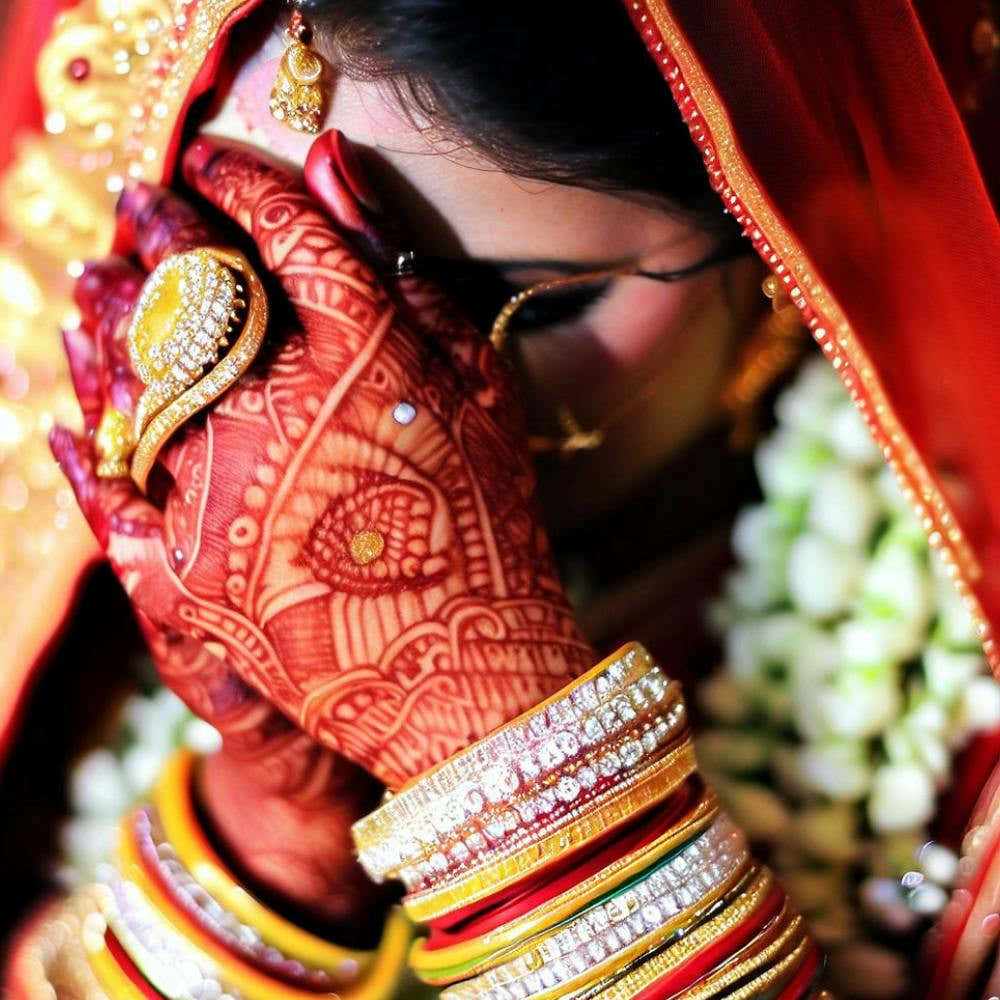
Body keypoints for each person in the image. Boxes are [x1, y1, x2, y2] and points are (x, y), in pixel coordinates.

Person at [0, 1, 997, 998]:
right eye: (241, 280)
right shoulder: (83, 614)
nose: (351, 399)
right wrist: (273, 843)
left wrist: (500, 759)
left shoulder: (969, 708)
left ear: (789, 242)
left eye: (495, 298)